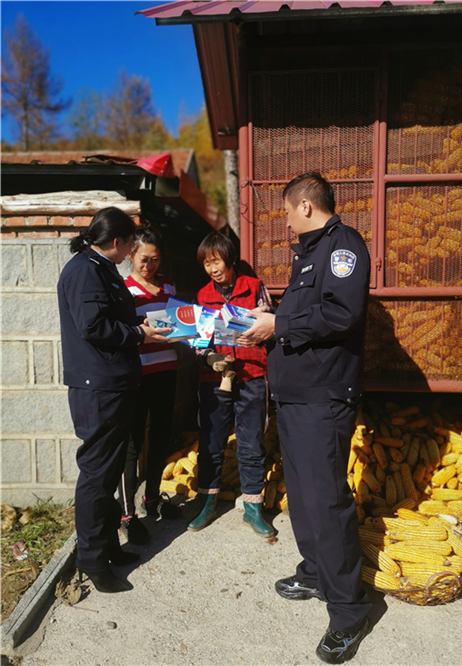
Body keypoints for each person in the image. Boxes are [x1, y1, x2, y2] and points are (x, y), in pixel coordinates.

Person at [238, 173, 372, 664]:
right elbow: (308, 313)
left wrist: (281, 323)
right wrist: (272, 317)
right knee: (304, 496)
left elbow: (341, 314)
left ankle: (348, 612)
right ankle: (316, 573)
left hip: (322, 397)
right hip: (296, 397)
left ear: (308, 206)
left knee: (326, 501)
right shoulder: (309, 253)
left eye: (288, 212)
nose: (286, 221)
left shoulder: (343, 248)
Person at [57, 208, 166, 593]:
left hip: (113, 385)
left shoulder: (100, 268)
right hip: (98, 388)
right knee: (96, 478)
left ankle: (107, 548)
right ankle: (92, 562)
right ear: (117, 242)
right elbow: (93, 326)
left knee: (105, 475)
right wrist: (139, 334)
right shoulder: (86, 270)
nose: (132, 252)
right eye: (130, 245)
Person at [187, 232, 273, 537]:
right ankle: (207, 504)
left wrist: (264, 318)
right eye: (206, 264)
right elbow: (198, 341)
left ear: (230, 259)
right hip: (215, 380)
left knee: (251, 444)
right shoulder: (202, 296)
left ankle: (253, 509)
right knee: (211, 444)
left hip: (251, 375)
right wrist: (211, 359)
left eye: (216, 261)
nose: (212, 269)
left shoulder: (254, 288)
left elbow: (271, 328)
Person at [118, 225, 181, 545]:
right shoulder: (123, 288)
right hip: (137, 374)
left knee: (160, 437)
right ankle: (127, 515)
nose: (149, 266)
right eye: (144, 259)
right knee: (131, 443)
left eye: (155, 260)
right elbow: (120, 332)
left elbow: (181, 326)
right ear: (130, 255)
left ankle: (152, 499)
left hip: (166, 370)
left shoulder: (169, 285)